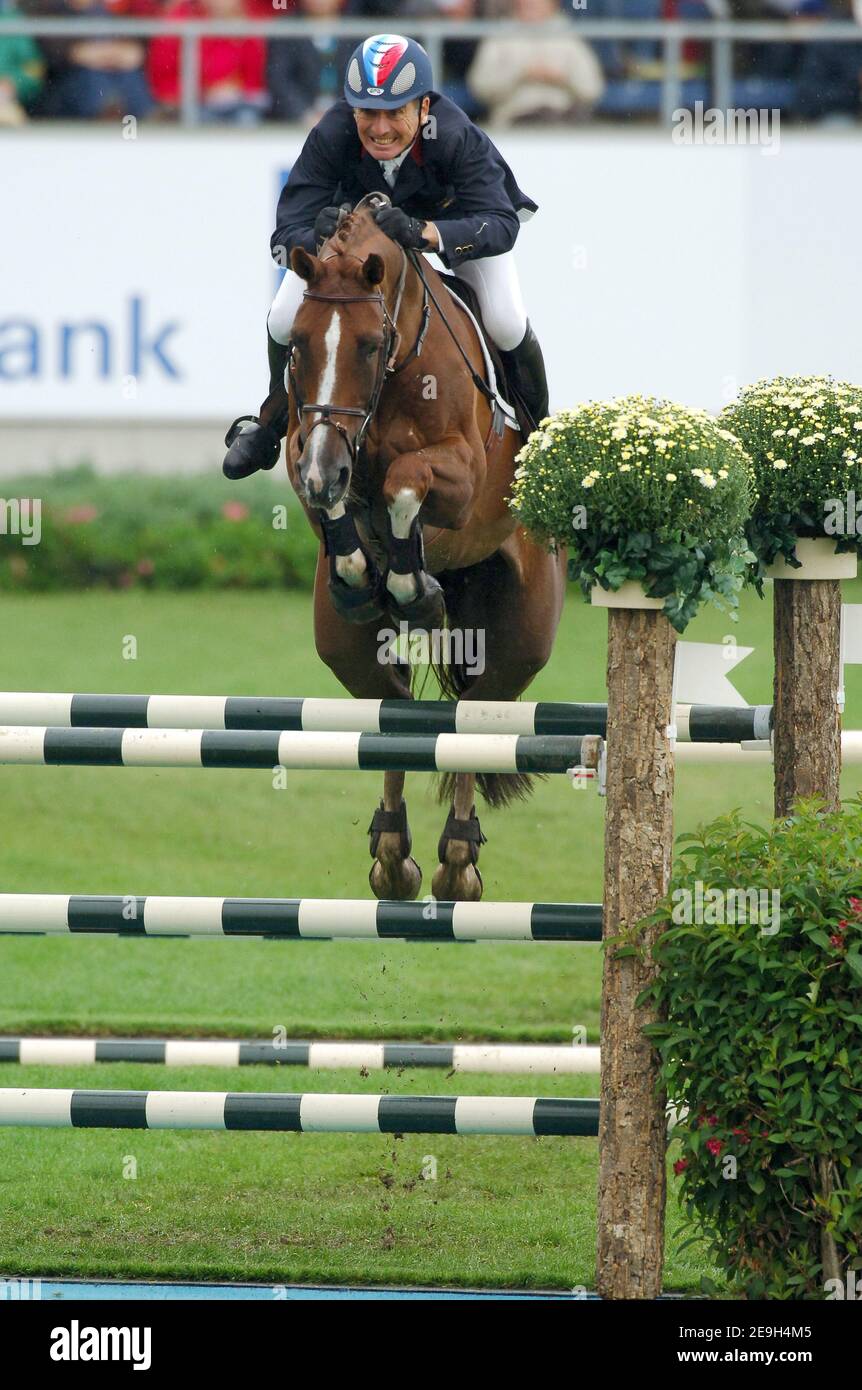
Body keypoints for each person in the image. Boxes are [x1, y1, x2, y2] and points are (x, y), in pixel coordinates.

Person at [223, 32, 549, 480]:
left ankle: (538, 442)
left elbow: (500, 223)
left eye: (395, 112)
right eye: (367, 112)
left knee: (506, 320)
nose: (379, 128)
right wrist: (316, 234)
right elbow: (285, 234)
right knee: (282, 317)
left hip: (455, 225)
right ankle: (269, 424)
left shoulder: (454, 136)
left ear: (424, 108)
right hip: (361, 240)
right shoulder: (333, 131)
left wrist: (426, 232)